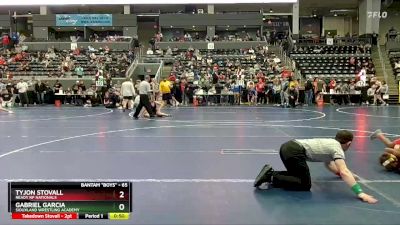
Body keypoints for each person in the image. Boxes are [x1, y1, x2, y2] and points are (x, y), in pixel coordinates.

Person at [254, 130, 377, 204]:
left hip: (288, 147)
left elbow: (328, 164)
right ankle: (270, 176)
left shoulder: (331, 142)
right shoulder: (337, 149)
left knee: (297, 177)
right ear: (349, 143)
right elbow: (345, 171)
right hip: (295, 151)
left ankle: (271, 174)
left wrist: (339, 174)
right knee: (304, 184)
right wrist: (360, 193)